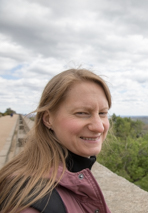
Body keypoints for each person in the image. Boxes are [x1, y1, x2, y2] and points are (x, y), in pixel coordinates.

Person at [0, 68, 112, 213]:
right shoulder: (32, 204)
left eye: (102, 113)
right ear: (48, 119)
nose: (98, 127)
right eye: (82, 113)